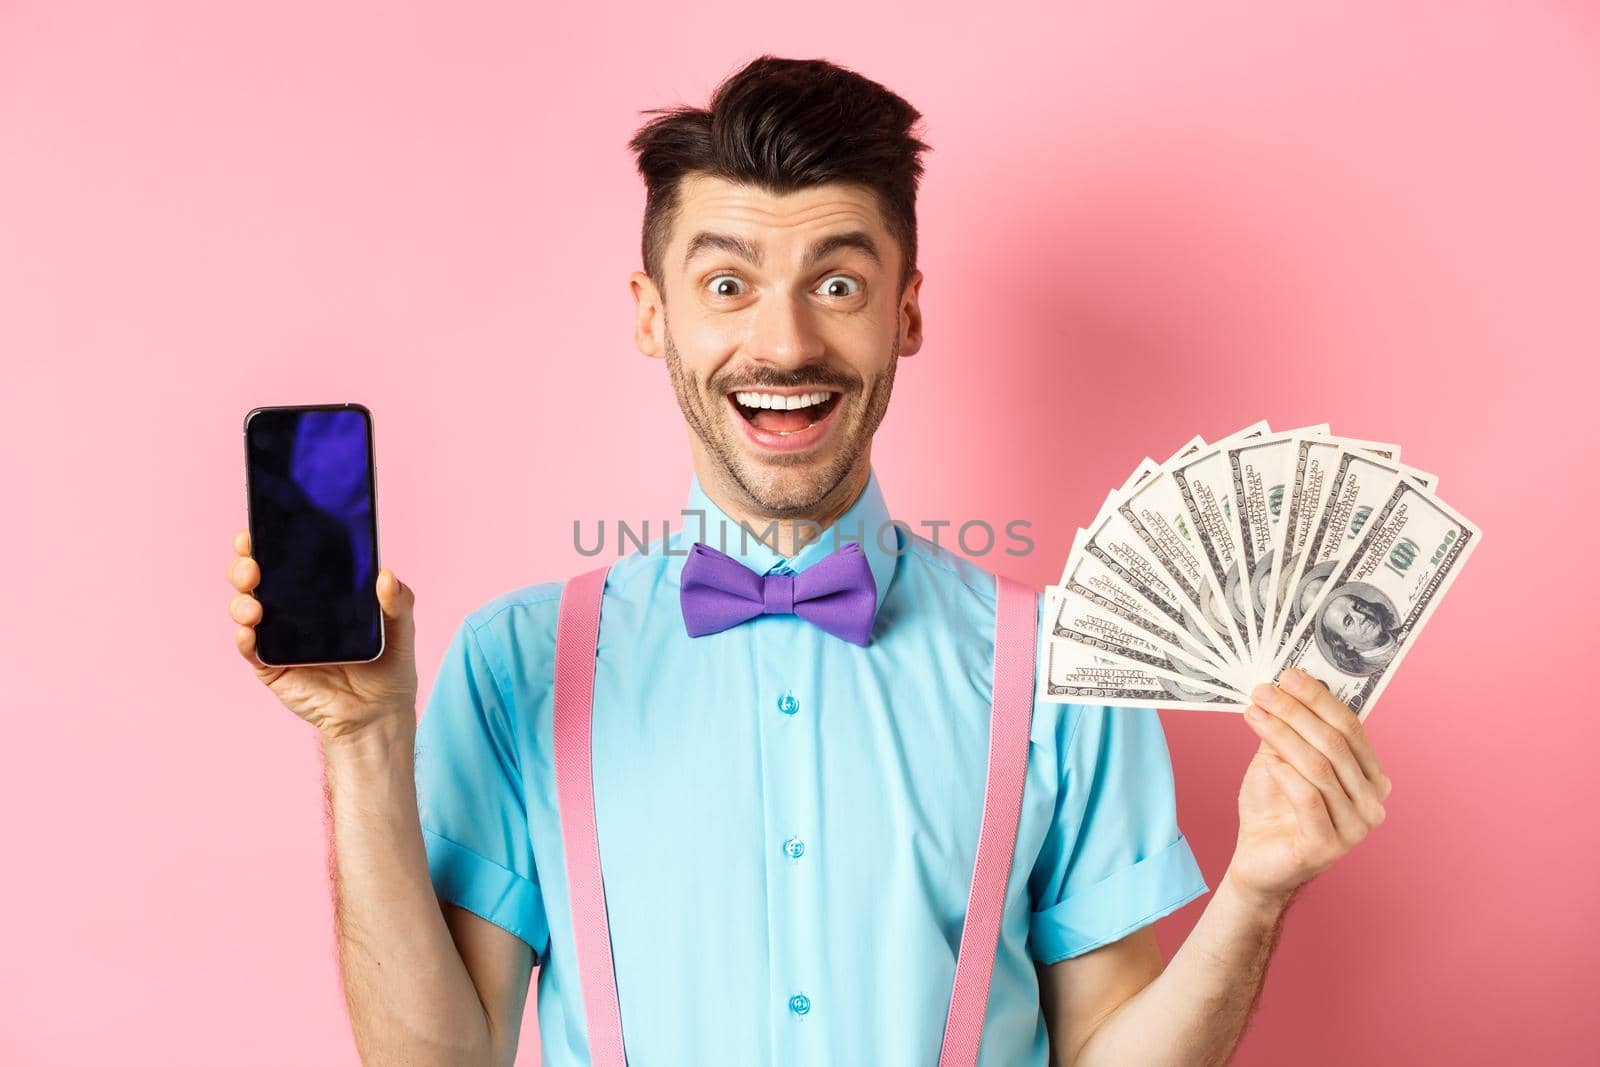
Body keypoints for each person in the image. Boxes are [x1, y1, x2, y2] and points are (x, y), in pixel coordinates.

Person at [226, 54, 1393, 1067]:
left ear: (906, 312)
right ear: (652, 314)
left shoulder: (1063, 667)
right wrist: (365, 743)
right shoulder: (516, 661)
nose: (783, 342)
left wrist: (1257, 887)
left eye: (836, 284)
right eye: (726, 284)